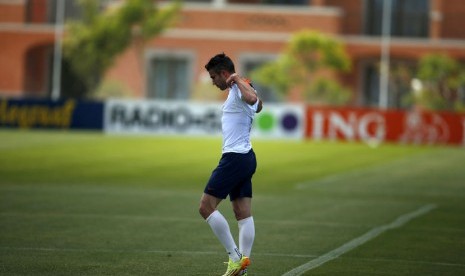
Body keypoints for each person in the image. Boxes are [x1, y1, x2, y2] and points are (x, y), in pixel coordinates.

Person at [199, 53, 262, 276]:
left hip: (235, 158)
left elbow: (254, 101)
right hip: (245, 157)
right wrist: (243, 83)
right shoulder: (242, 87)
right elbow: (259, 104)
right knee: (242, 213)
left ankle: (235, 258)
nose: (213, 81)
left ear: (225, 74)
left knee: (205, 207)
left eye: (214, 76)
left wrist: (237, 80)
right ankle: (241, 268)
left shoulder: (237, 87)